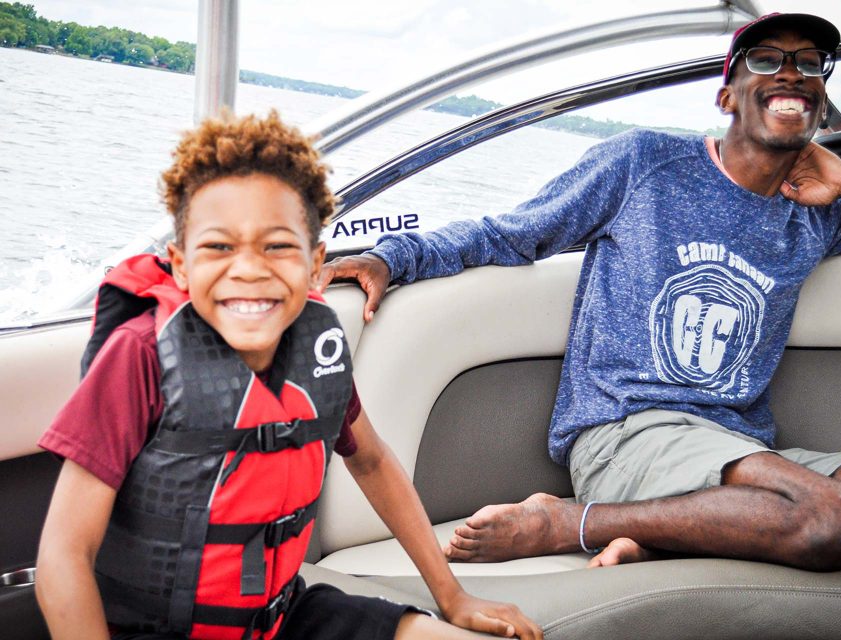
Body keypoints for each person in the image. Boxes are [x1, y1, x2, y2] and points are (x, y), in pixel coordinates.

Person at [320, 13, 841, 571]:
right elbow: (512, 233)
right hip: (625, 432)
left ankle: (667, 531)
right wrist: (390, 256)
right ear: (726, 96)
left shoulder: (820, 212)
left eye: (810, 64)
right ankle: (566, 522)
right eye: (767, 60)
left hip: (736, 448)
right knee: (837, 522)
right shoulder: (644, 164)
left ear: (820, 100)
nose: (791, 73)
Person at [34, 111, 542, 640]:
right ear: (180, 264)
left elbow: (372, 461)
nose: (249, 269)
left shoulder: (315, 352)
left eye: (277, 245)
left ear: (314, 260)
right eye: (218, 246)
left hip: (284, 618)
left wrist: (452, 597)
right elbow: (63, 556)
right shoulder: (140, 356)